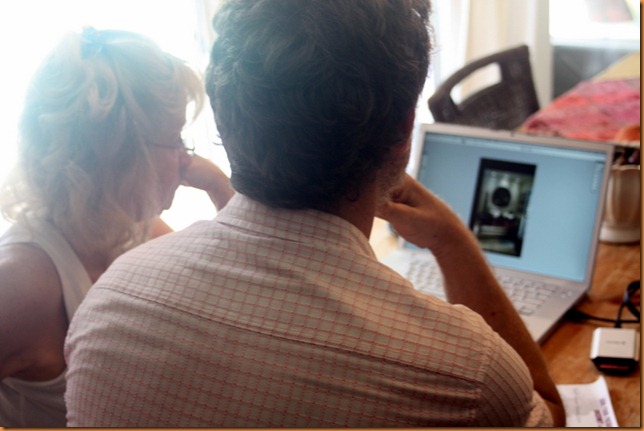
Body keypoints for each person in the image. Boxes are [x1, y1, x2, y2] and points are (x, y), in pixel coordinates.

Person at [64, 1, 566, 427]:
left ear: (224, 116)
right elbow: (550, 412)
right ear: (403, 132)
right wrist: (453, 243)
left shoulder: (107, 305)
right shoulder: (469, 374)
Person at [0, 27, 233, 427]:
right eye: (175, 139)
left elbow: (229, 292)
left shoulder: (130, 229)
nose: (186, 157)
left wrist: (220, 187)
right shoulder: (24, 282)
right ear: (119, 152)